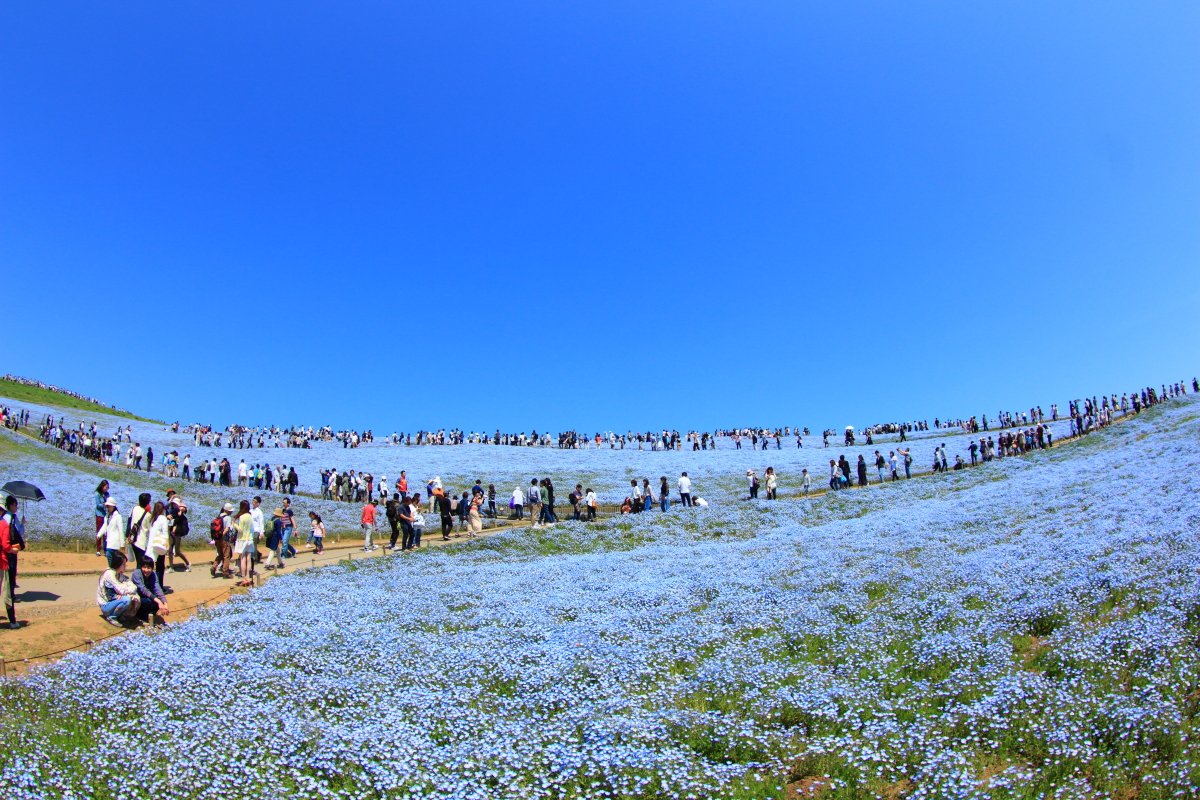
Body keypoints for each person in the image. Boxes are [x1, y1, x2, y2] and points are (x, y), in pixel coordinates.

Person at [95, 551, 139, 627]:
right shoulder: (109, 574)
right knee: (126, 599)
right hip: (106, 605)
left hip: (113, 601)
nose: (125, 566)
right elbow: (121, 590)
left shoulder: (118, 573)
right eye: (123, 564)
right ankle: (112, 617)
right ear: (118, 564)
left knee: (135, 596)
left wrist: (129, 589)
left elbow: (131, 585)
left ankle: (120, 615)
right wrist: (126, 591)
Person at [132, 556, 170, 625]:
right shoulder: (136, 573)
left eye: (149, 568)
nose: (146, 570)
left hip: (147, 596)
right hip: (136, 597)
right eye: (144, 567)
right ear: (141, 567)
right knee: (151, 601)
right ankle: (140, 617)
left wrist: (165, 604)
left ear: (152, 568)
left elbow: (158, 589)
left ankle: (148, 616)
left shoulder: (153, 575)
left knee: (157, 601)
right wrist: (158, 601)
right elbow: (143, 589)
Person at [0, 502, 19, 629]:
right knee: (7, 592)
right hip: (2, 562)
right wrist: (13, 550)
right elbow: (6, 546)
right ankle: (12, 621)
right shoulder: (3, 525)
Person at [99, 497, 125, 568]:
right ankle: (112, 570)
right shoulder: (107, 516)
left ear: (113, 506)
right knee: (110, 557)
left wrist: (122, 544)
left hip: (114, 542)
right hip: (108, 540)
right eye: (107, 506)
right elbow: (104, 526)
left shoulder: (118, 516)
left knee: (109, 555)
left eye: (109, 506)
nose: (107, 508)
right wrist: (99, 535)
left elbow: (121, 530)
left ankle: (112, 570)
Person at [94, 479, 110, 557]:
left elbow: (109, 501)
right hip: (99, 515)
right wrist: (104, 504)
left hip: (106, 516)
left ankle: (106, 550)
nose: (107, 489)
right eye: (106, 487)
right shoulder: (97, 494)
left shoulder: (107, 494)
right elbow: (98, 505)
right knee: (99, 532)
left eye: (108, 487)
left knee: (106, 534)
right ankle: (98, 550)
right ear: (102, 486)